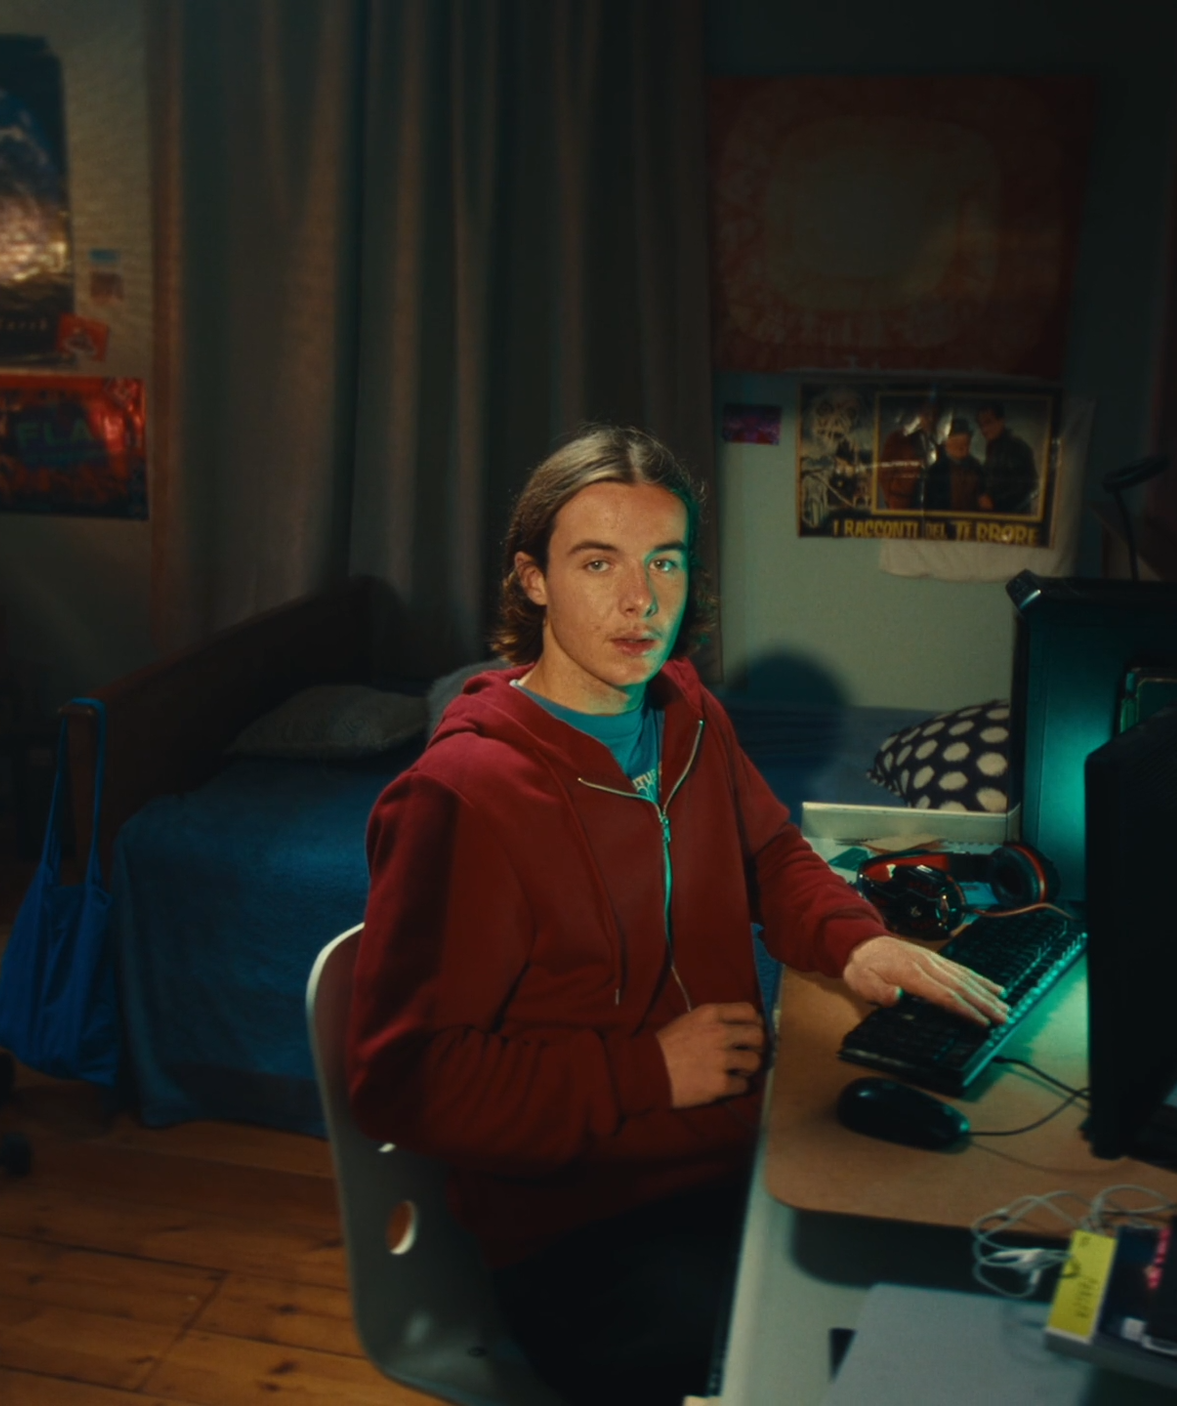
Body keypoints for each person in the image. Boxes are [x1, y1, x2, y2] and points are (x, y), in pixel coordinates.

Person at [348, 425, 1007, 1406]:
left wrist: (857, 942)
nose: (639, 601)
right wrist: (646, 1068)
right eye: (596, 561)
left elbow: (771, 856)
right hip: (585, 1237)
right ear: (530, 579)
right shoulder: (460, 797)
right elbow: (402, 1081)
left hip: (732, 1158)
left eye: (665, 561)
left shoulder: (686, 710)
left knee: (963, 1290)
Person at [974, 402, 1040, 514]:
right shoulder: (993, 447)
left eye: (989, 422)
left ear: (1001, 421)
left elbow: (1028, 484)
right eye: (981, 425)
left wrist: (995, 501)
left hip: (1013, 519)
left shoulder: (1016, 447)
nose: (984, 430)